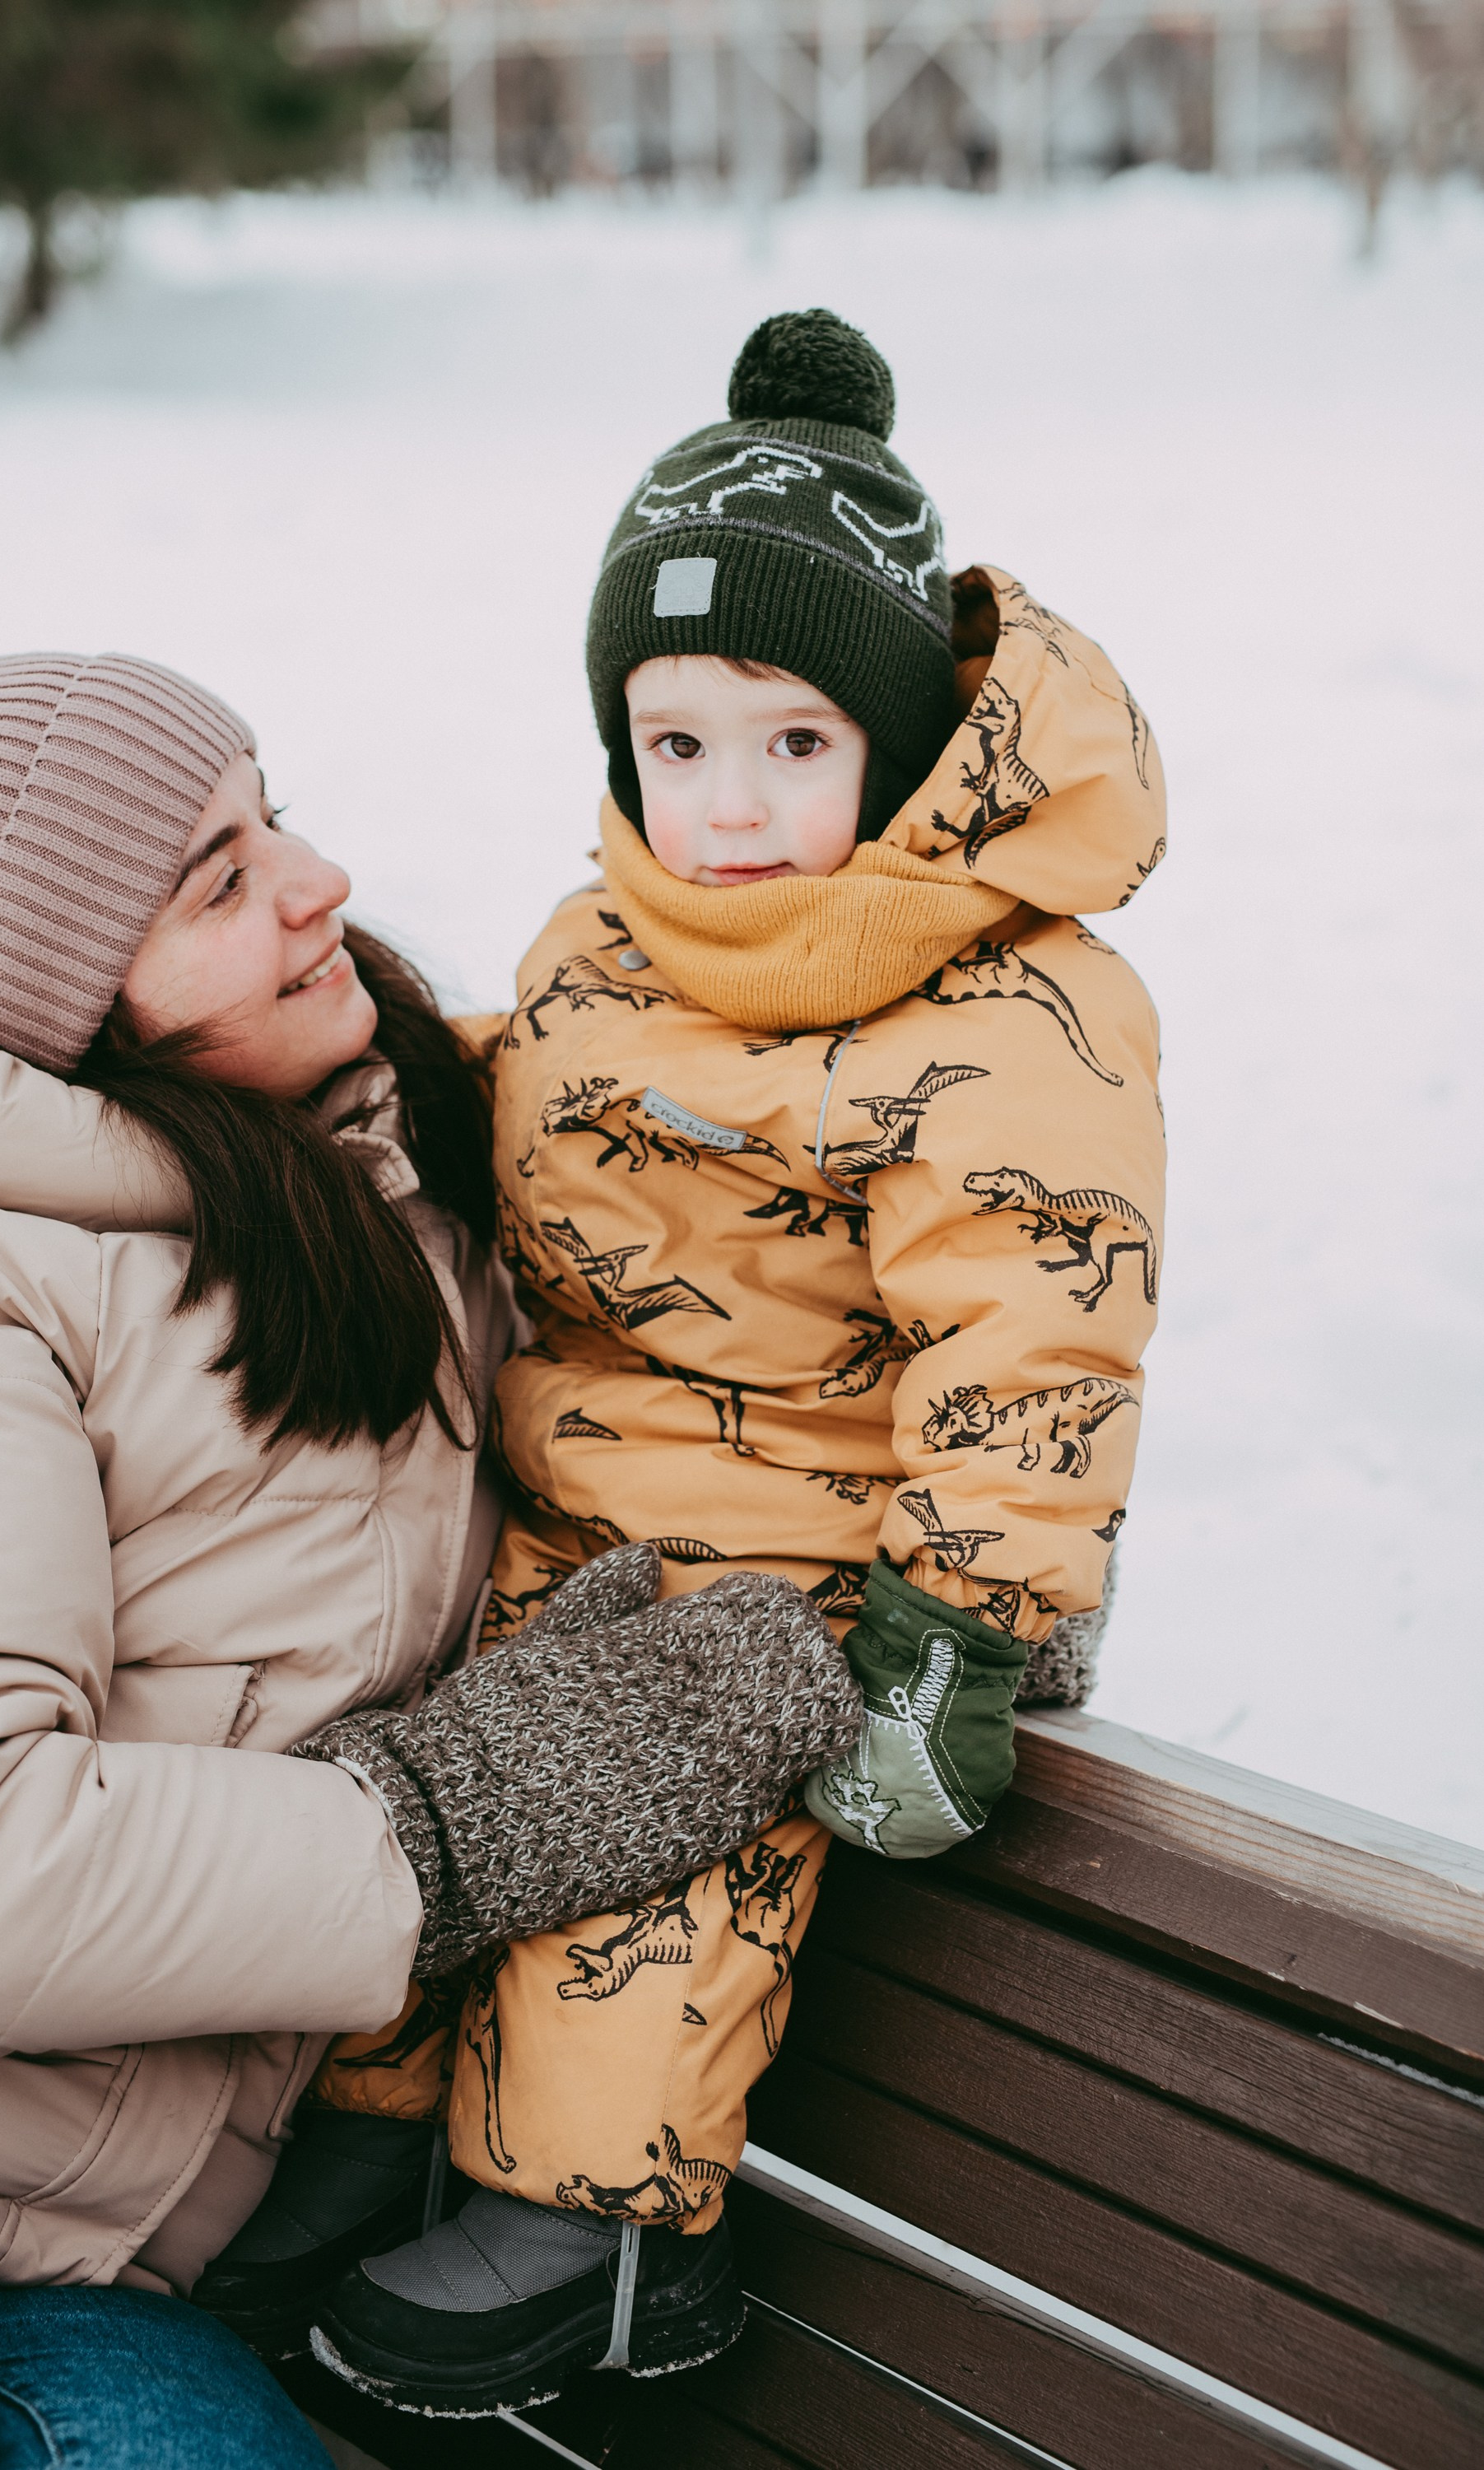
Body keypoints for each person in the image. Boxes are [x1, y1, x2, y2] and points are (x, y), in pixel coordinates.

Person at [220, 309, 1170, 2421]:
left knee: (643, 1862)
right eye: (677, 745)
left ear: (902, 742)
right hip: (576, 1507)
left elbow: (1036, 1329)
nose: (727, 809)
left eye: (796, 744)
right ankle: (379, 2129)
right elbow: (531, 1117)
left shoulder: (1008, 1017)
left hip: (814, 1568)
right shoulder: (609, 939)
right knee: (436, 1773)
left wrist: (960, 1636)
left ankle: (601, 2235)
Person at [0, 650, 856, 2467]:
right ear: (64, 1006)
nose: (321, 886)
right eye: (217, 883)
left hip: (82, 2263)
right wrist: (443, 1824)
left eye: (272, 820)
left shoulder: (387, 1165)